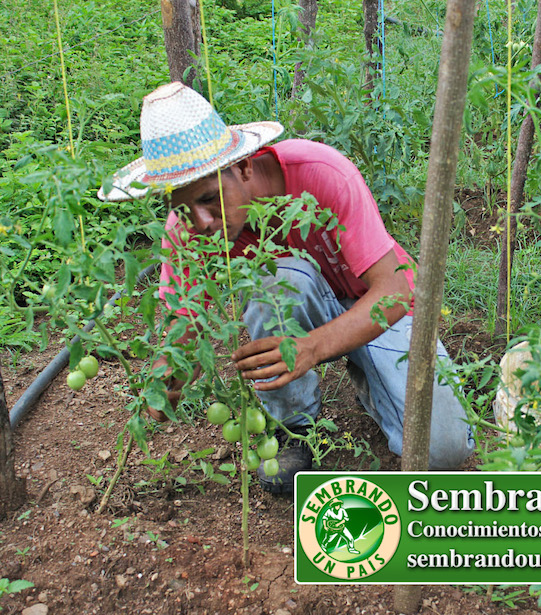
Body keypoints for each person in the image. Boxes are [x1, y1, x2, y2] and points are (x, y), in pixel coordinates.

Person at [98, 82, 473, 493]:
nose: (201, 222)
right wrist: (166, 377)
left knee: (445, 451)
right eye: (184, 208)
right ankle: (293, 426)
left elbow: (396, 291)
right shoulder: (187, 229)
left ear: (243, 166)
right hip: (309, 315)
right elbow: (185, 320)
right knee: (275, 278)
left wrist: (311, 347)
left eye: (209, 199)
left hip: (381, 309)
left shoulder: (322, 173)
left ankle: (371, 372)